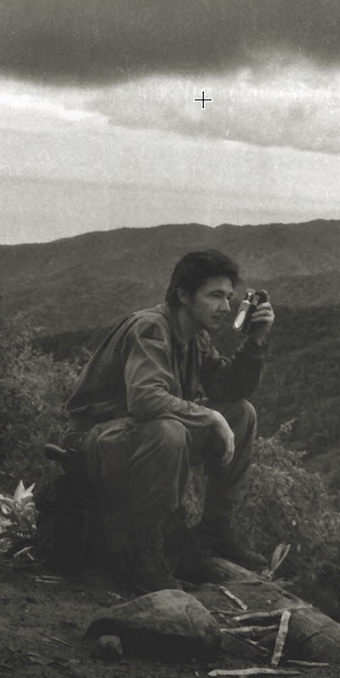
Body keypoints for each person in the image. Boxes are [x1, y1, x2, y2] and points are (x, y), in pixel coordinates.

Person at [65, 249, 275, 592]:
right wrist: (209, 417)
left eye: (229, 298)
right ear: (182, 294)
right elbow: (146, 399)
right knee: (169, 429)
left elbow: (226, 388)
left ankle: (216, 530)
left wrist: (256, 340)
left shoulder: (196, 337)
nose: (225, 307)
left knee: (242, 414)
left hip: (138, 436)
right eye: (215, 296)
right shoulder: (150, 327)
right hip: (97, 438)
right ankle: (142, 555)